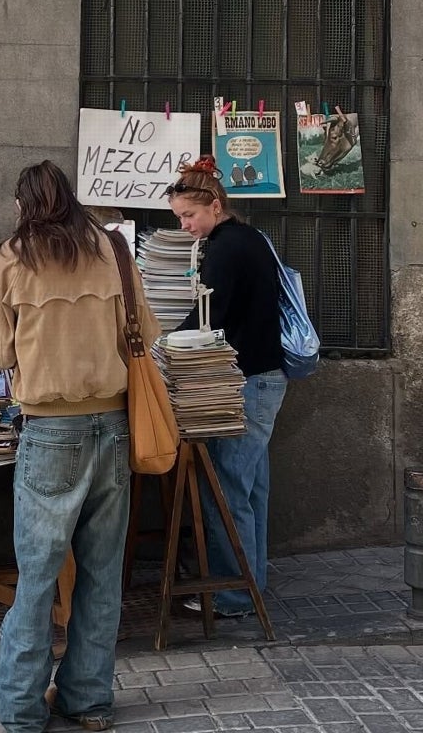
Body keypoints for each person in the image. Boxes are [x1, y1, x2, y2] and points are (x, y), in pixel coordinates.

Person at [0, 160, 160, 732]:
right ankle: (89, 702)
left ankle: (22, 712)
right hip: (112, 426)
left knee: (36, 579)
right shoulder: (114, 252)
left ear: (22, 204)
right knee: (102, 574)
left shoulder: (10, 258)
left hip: (50, 432)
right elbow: (146, 335)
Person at [165, 155, 286, 618]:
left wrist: (161, 344)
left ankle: (235, 596)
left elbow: (206, 318)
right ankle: (251, 587)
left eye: (188, 215)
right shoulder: (249, 238)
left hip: (246, 382)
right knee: (250, 487)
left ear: (215, 205)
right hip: (264, 377)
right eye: (179, 218)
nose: (185, 226)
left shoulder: (226, 247)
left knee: (227, 489)